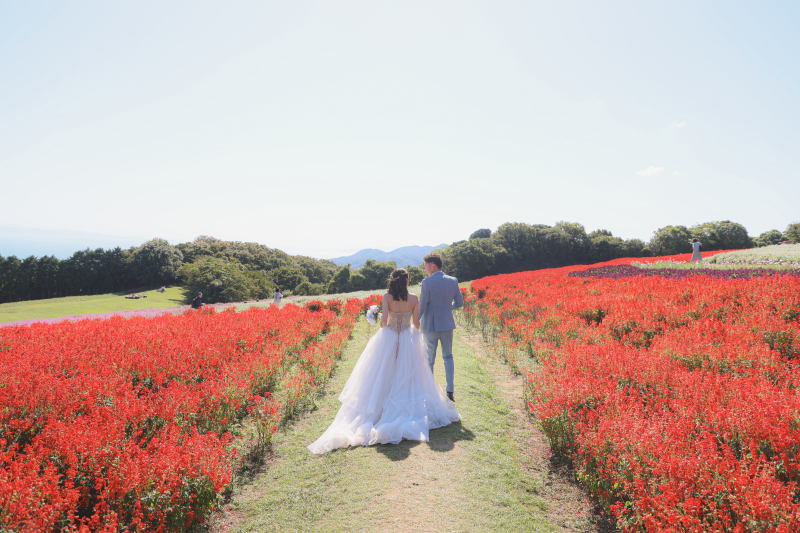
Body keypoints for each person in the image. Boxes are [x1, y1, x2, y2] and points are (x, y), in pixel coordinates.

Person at [308, 268, 460, 454]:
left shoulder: (387, 297)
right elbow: (417, 323)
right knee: (408, 372)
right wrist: (409, 331)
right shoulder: (413, 299)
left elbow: (384, 323)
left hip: (388, 337)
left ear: (392, 281)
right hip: (407, 336)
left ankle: (380, 404)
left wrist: (376, 317)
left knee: (382, 371)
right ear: (407, 281)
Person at [418, 252, 464, 402]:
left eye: (426, 267)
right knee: (448, 357)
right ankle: (450, 391)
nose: (425, 270)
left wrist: (414, 322)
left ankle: (430, 391)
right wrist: (446, 308)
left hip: (430, 325)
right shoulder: (453, 281)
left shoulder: (427, 282)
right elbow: (459, 302)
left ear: (433, 266)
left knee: (429, 359)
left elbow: (422, 305)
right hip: (447, 324)